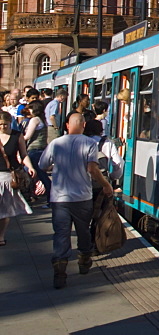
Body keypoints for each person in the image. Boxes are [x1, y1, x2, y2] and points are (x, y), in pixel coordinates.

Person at [38, 111, 113, 288]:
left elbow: (42, 165)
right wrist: (105, 184)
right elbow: (93, 169)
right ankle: (84, 260)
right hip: (82, 197)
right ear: (84, 125)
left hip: (60, 197)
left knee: (61, 234)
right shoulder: (89, 143)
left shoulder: (56, 143)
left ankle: (60, 270)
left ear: (66, 126)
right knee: (83, 231)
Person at [1, 110, 39, 247]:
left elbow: (23, 154)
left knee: (5, 210)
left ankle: (1, 236)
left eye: (5, 124)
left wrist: (30, 167)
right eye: (0, 124)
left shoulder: (17, 136)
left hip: (9, 177)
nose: (2, 127)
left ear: (10, 123)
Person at [23, 100, 50, 197]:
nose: (28, 110)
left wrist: (17, 138)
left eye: (30, 108)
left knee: (30, 171)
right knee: (40, 172)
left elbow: (27, 136)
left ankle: (30, 193)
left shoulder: (35, 120)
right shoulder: (43, 120)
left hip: (34, 149)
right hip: (41, 149)